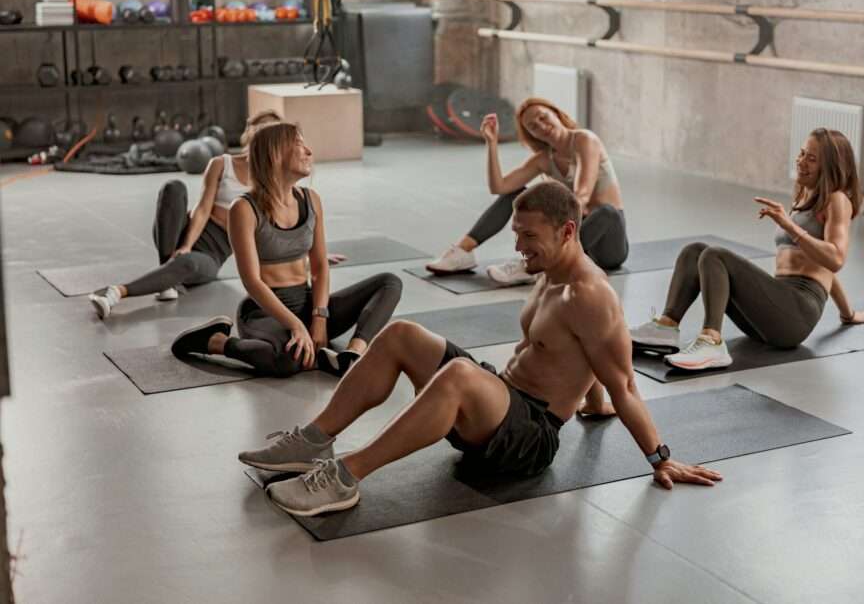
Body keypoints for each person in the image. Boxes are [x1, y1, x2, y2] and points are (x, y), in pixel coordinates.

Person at [237, 181, 721, 516]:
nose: (520, 248)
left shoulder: (591, 296)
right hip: (499, 404)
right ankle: (311, 442)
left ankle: (345, 477)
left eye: (530, 237)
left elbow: (625, 384)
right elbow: (582, 362)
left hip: (529, 439)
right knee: (404, 334)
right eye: (517, 235)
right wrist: (593, 404)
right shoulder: (551, 275)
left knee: (459, 376)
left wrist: (660, 457)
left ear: (567, 231)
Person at [629, 128, 864, 371]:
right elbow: (823, 270)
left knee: (715, 256)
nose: (801, 162)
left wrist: (789, 226)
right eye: (802, 153)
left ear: (831, 168)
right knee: (695, 251)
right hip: (778, 309)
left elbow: (835, 259)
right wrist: (848, 314)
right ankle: (666, 327)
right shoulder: (804, 195)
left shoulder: (837, 199)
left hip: (796, 314)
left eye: (811, 159)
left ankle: (711, 342)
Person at [169, 121, 402, 378]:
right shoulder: (244, 208)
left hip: (308, 302)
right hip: (263, 311)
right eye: (299, 145)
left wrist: (319, 318)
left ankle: (353, 354)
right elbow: (251, 281)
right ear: (275, 154)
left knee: (389, 283)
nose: (309, 152)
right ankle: (214, 341)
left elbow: (320, 267)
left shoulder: (311, 200)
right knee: (288, 362)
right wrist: (295, 325)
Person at [88, 110, 282, 320]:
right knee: (174, 187)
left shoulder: (269, 181)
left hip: (211, 256)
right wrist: (187, 244)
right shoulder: (221, 164)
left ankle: (115, 293)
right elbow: (203, 209)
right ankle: (167, 276)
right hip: (179, 234)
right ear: (250, 134)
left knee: (188, 262)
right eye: (260, 130)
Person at [426, 97, 628, 286]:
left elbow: (582, 195)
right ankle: (463, 251)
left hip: (607, 243)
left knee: (606, 212)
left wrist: (547, 231)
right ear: (532, 134)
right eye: (533, 126)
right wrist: (492, 143)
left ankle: (533, 265)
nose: (541, 125)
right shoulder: (544, 159)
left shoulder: (585, 140)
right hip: (573, 241)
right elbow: (500, 186)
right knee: (516, 194)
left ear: (557, 114)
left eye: (543, 117)